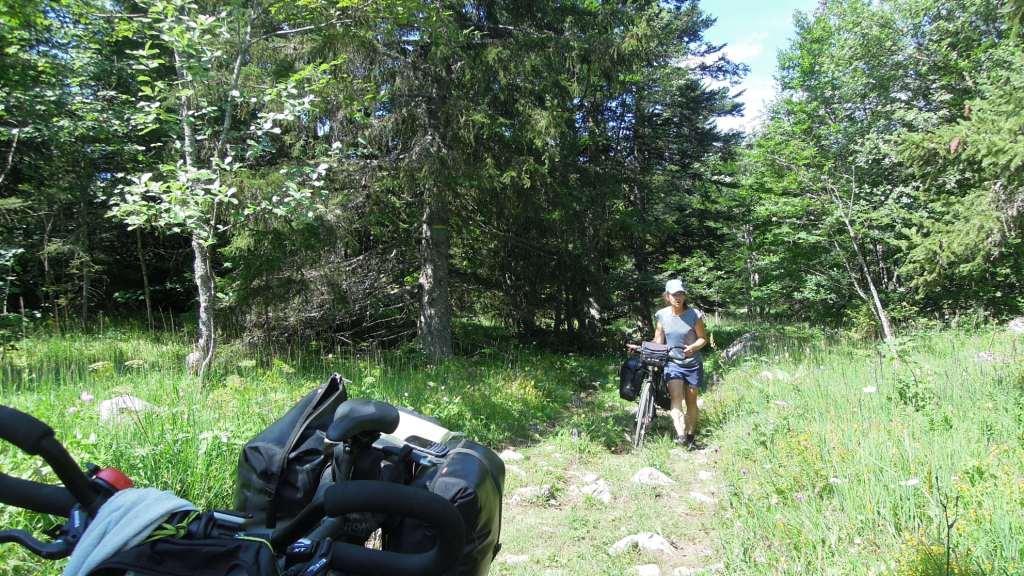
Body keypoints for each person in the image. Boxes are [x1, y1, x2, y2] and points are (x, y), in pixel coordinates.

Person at [653, 278, 707, 449]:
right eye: (674, 294)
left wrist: (693, 347)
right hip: (673, 363)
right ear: (667, 296)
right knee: (676, 398)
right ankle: (681, 435)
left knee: (691, 401)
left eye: (681, 294)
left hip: (692, 364)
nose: (678, 297)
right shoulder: (662, 315)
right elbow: (658, 340)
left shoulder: (694, 315)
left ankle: (691, 435)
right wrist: (646, 348)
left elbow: (703, 339)